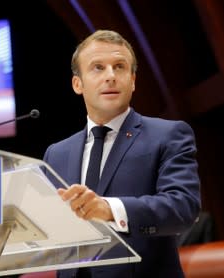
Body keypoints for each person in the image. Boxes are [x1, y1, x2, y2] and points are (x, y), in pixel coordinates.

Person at [43, 30, 201, 277]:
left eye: (119, 67)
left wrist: (109, 209)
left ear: (133, 80)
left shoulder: (168, 135)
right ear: (78, 84)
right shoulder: (57, 153)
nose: (110, 76)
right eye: (98, 67)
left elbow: (183, 208)